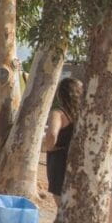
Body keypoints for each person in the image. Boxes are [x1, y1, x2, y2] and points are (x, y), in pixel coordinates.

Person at [42, 78, 83, 206]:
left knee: (59, 195)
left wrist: (48, 147)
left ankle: (63, 222)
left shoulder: (59, 113)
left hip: (60, 158)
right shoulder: (84, 113)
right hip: (80, 158)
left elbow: (52, 134)